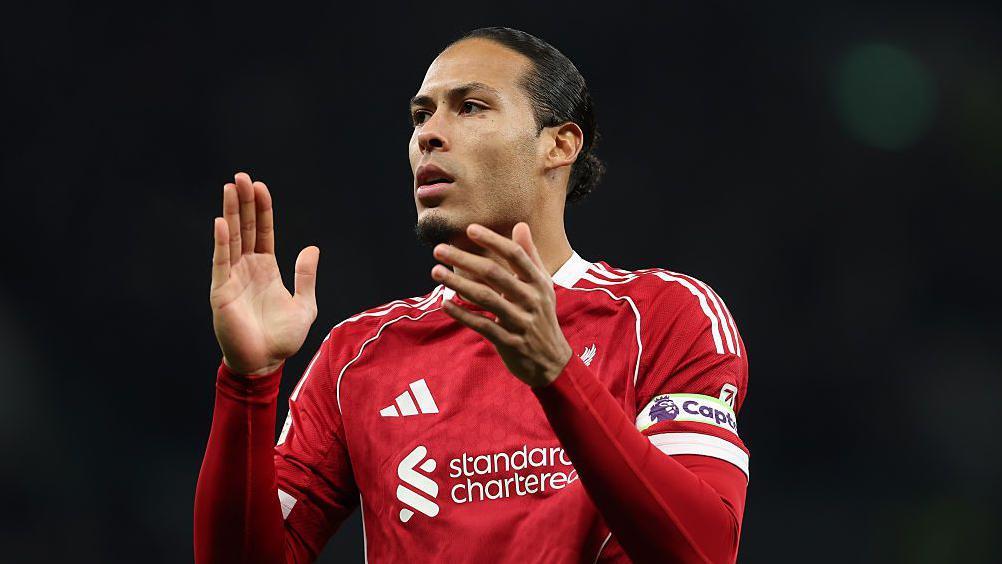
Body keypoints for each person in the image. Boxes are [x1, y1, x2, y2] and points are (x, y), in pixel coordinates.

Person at [195, 27, 749, 563]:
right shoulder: (359, 355)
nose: (428, 135)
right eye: (420, 115)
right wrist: (248, 384)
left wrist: (558, 375)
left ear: (559, 144)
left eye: (471, 107)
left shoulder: (663, 315)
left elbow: (702, 551)